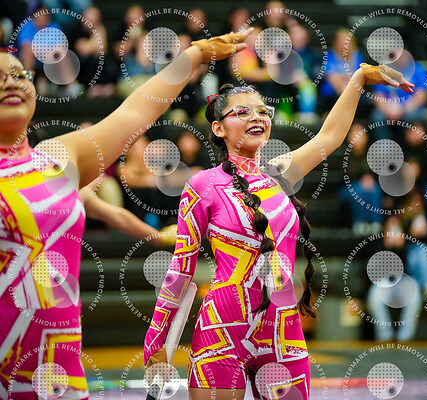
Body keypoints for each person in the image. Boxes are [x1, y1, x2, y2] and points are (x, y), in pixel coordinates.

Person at [0, 29, 252, 399]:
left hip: (60, 372)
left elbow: (136, 111)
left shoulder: (57, 158)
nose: (11, 82)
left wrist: (196, 54)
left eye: (19, 74)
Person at [143, 66, 413, 398]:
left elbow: (329, 137)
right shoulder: (203, 185)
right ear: (218, 128)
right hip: (222, 329)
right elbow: (180, 269)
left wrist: (359, 78)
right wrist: (155, 343)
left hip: (283, 330)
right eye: (242, 112)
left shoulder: (279, 174)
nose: (256, 117)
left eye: (262, 111)